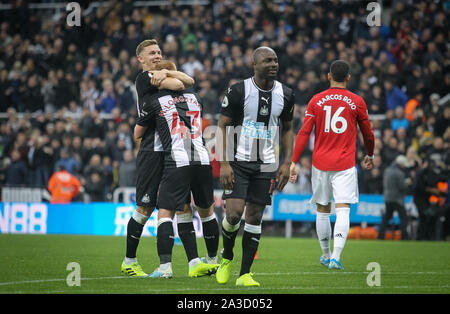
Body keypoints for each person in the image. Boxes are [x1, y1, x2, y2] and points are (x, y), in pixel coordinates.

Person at [216, 46, 295, 287]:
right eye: (267, 60)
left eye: (275, 60)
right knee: (233, 214)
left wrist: (287, 162)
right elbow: (222, 127)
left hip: (266, 162)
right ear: (255, 64)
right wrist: (225, 163)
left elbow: (288, 129)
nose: (273, 64)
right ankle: (227, 256)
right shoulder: (239, 91)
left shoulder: (286, 94)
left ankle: (244, 274)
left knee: (255, 216)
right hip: (238, 162)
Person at [134, 60, 219, 278]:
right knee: (206, 211)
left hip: (177, 160)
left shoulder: (154, 101)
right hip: (201, 157)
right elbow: (186, 87)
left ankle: (165, 267)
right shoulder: (196, 98)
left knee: (165, 211)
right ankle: (210, 261)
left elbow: (138, 133)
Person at [121, 39, 197, 277]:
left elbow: (188, 81)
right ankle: (129, 261)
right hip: (152, 151)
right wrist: (168, 74)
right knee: (145, 207)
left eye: (159, 52)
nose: (156, 55)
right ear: (140, 59)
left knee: (183, 204)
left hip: (173, 150)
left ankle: (192, 263)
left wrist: (166, 70)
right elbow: (178, 84)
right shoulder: (143, 78)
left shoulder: (160, 74)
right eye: (151, 53)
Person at [289, 60, 375, 270]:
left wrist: (293, 161)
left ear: (328, 76)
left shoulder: (316, 100)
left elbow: (303, 132)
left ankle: (326, 255)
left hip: (320, 163)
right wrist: (370, 154)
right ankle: (336, 257)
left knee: (323, 210)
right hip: (345, 164)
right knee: (343, 209)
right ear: (348, 78)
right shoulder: (357, 101)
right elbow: (368, 133)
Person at [378, 155, 411, 240]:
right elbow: (402, 186)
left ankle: (380, 236)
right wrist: (407, 182)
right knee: (403, 218)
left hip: (388, 198)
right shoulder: (400, 173)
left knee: (386, 219)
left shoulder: (387, 170)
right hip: (397, 199)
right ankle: (404, 237)